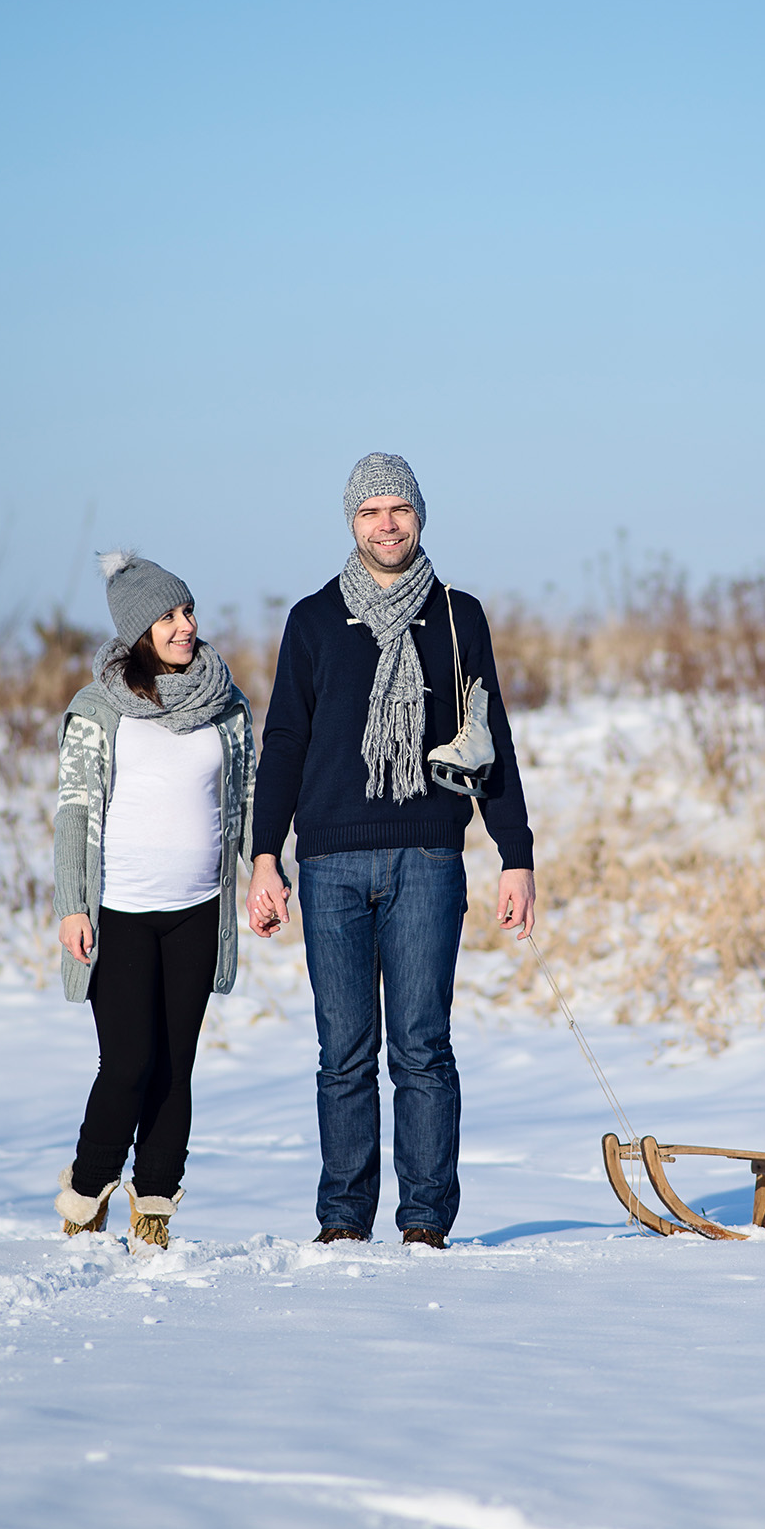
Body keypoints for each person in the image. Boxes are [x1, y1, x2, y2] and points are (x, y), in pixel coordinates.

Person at [246, 451, 534, 1250]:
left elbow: (490, 738)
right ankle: (342, 1221)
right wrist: (264, 857)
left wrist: (515, 855)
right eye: (371, 511)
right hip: (330, 861)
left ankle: (424, 1224)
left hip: (428, 856)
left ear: (419, 518)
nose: (386, 524)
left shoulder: (455, 615)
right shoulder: (311, 619)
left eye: (398, 510)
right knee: (342, 1053)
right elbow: (285, 741)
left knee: (422, 1048)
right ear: (351, 521)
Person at [52, 550, 259, 1253]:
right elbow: (76, 811)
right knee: (130, 1062)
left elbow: (247, 802)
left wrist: (266, 870)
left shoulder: (226, 708)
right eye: (169, 616)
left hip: (199, 908)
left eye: (189, 611)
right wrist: (73, 906)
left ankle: (157, 1206)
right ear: (138, 630)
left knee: (177, 1064)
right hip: (121, 912)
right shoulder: (101, 708)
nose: (185, 626)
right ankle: (86, 1191)